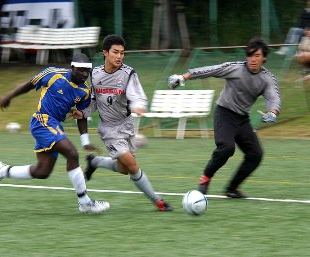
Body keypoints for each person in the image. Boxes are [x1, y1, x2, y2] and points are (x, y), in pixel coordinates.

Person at [0, 53, 110, 214]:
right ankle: (84, 202)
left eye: (87, 71)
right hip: (42, 120)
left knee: (42, 171)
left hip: (55, 126)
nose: (85, 74)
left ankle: (3, 170)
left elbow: (81, 115)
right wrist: (9, 96)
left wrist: (85, 141)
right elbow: (29, 84)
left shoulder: (85, 91)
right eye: (81, 70)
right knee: (71, 153)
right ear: (72, 68)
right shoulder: (52, 74)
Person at [168, 37, 281, 198]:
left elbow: (273, 98)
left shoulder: (266, 79)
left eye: (257, 56)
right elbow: (211, 70)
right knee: (227, 148)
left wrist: (273, 112)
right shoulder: (235, 68)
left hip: (242, 119)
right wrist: (183, 77)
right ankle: (205, 178)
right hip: (225, 113)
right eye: (250, 55)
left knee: (256, 155)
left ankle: (232, 188)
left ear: (264, 58)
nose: (252, 59)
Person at [72, 34, 173, 211]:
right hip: (109, 130)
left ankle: (95, 162)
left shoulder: (128, 73)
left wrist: (138, 106)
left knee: (123, 168)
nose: (119, 56)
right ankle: (158, 201)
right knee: (133, 167)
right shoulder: (95, 74)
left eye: (122, 53)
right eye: (115, 52)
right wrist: (83, 112)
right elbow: (94, 100)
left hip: (126, 125)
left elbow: (137, 95)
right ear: (105, 53)